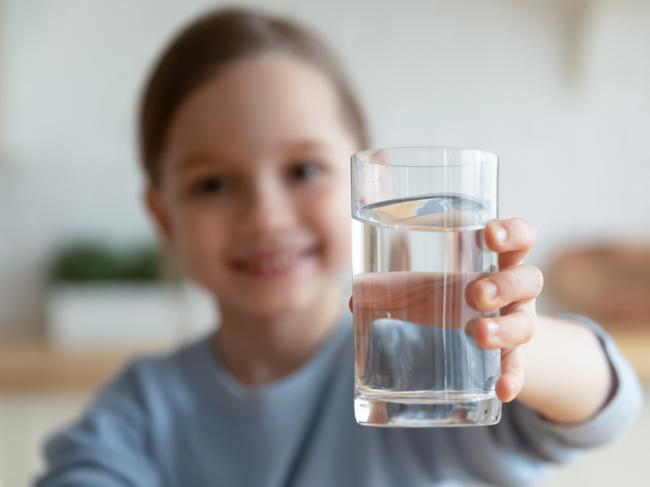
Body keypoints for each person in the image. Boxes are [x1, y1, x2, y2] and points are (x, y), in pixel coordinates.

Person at [36, 7, 642, 487]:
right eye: (212, 184)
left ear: (362, 184)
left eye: (303, 170)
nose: (266, 218)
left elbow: (600, 409)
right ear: (163, 219)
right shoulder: (140, 410)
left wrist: (520, 343)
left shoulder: (427, 364)